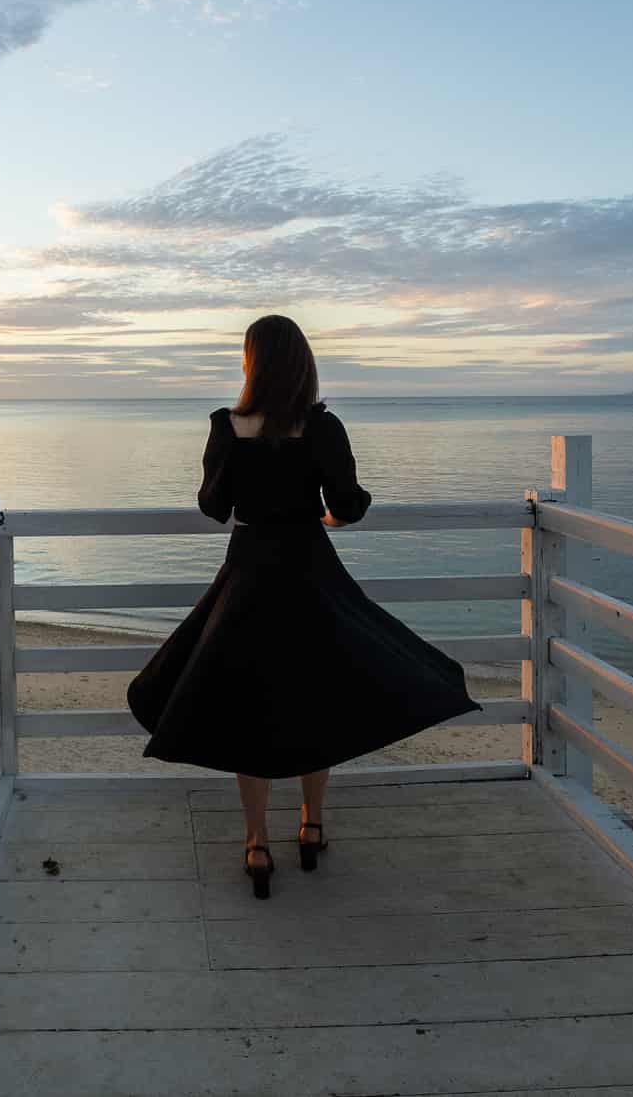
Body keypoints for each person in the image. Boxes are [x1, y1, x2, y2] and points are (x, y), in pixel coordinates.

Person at [126, 315, 479, 898]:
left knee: (249, 704)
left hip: (249, 572)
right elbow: (347, 505)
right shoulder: (320, 426)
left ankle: (257, 843)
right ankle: (312, 824)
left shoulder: (228, 425)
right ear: (304, 363)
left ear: (251, 362)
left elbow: (214, 506)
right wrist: (327, 514)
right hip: (310, 569)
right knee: (321, 692)